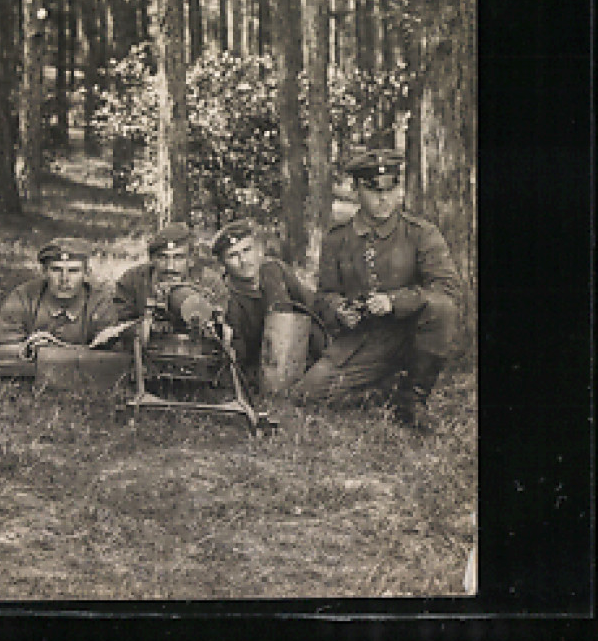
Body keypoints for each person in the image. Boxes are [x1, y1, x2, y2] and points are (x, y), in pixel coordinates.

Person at [294, 149, 462, 432]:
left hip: (411, 334)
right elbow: (324, 295)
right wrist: (339, 310)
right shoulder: (337, 239)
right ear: (356, 190)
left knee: (442, 308)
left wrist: (394, 301)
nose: (384, 199)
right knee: (308, 394)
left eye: (391, 188)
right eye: (374, 190)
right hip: (362, 341)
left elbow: (448, 289)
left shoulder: (421, 234)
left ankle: (412, 400)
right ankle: (384, 390)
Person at [209, 218, 326, 383]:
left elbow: (310, 304)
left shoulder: (275, 270)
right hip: (259, 369)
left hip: (299, 354)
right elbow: (238, 356)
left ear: (258, 250)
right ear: (223, 263)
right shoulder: (227, 297)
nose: (243, 261)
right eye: (233, 256)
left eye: (247, 250)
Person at [0, 238, 112, 361]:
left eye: (73, 271)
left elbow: (112, 353)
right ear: (44, 272)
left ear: (87, 273)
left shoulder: (99, 303)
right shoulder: (23, 296)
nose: (64, 279)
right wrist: (28, 349)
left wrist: (53, 350)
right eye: (56, 270)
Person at [107, 221, 213, 332]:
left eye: (178, 257)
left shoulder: (209, 283)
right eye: (163, 257)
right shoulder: (132, 281)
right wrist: (144, 327)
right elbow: (117, 327)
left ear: (191, 260)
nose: (170, 267)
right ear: (152, 259)